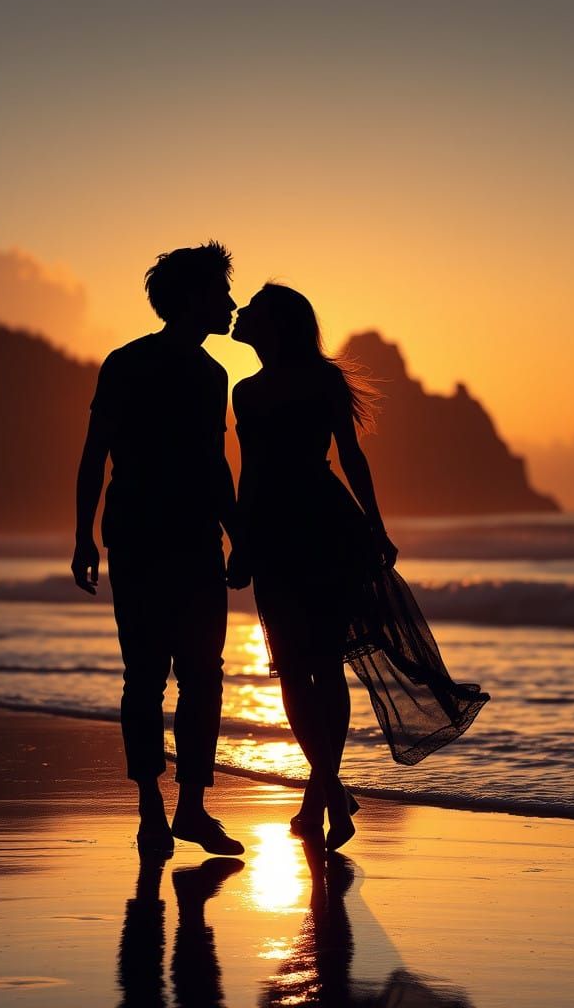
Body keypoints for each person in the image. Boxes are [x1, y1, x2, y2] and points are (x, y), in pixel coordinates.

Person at [227, 284, 488, 852]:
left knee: (313, 665)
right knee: (300, 669)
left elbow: (349, 455)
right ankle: (328, 792)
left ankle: (322, 794)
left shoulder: (311, 382)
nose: (241, 313)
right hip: (293, 528)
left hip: (314, 528)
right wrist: (242, 541)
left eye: (253, 309)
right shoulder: (248, 390)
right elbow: (262, 470)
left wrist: (376, 523)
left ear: (278, 324)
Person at [72, 241, 244, 858]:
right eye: (220, 294)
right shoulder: (126, 364)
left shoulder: (211, 374)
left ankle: (185, 810)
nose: (229, 304)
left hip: (185, 537)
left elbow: (214, 463)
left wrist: (236, 533)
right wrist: (81, 535)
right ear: (192, 298)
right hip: (145, 538)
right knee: (157, 676)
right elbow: (97, 452)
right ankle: (154, 807)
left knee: (190, 677)